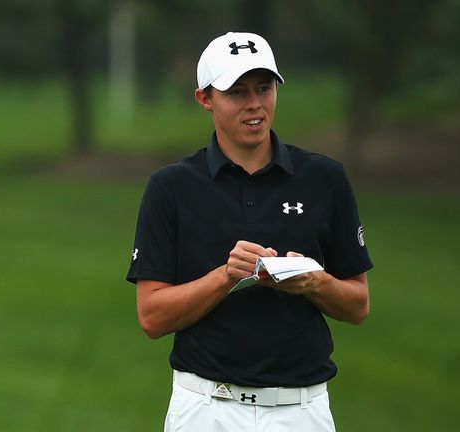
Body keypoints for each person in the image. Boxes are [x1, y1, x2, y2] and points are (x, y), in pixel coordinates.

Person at [126, 31, 373, 432]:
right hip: (206, 408)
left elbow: (358, 305)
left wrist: (313, 281)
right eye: (237, 92)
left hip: (302, 409)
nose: (255, 104)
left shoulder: (324, 178)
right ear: (205, 98)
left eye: (264, 87)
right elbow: (152, 317)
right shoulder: (171, 188)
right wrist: (226, 276)